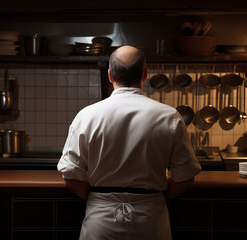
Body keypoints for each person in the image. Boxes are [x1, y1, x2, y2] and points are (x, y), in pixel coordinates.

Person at [57, 45, 201, 240]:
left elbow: (70, 175)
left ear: (109, 75)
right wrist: (153, 198)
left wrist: (99, 198)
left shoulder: (87, 116)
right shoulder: (169, 116)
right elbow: (185, 177)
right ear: (145, 74)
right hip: (151, 220)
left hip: (101, 221)